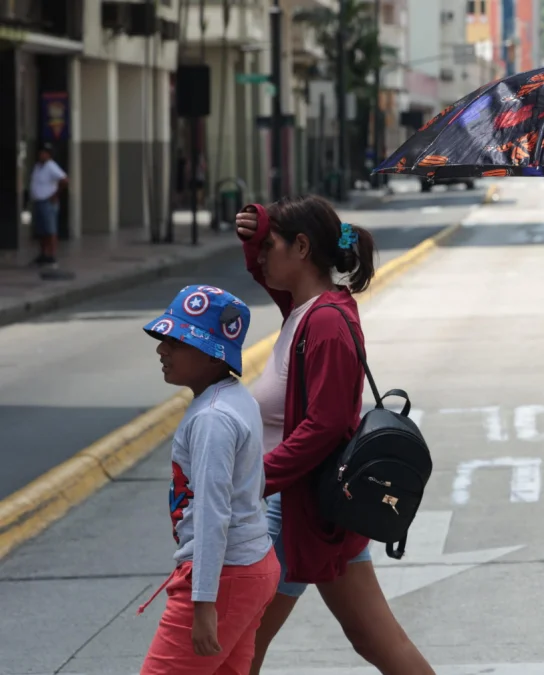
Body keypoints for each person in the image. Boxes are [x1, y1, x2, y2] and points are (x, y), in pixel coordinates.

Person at [233, 197, 434, 675]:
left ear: (301, 247)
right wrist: (259, 227)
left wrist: (255, 480)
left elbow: (324, 426)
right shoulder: (305, 309)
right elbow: (265, 274)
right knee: (372, 639)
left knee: (239, 649)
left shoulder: (324, 323)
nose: (262, 257)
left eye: (272, 246)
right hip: (310, 503)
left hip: (298, 505)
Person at [138, 284, 280, 675]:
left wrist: (203, 606)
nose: (162, 349)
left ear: (215, 355)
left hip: (224, 577)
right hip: (249, 568)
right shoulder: (235, 398)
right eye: (164, 338)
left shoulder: (212, 418)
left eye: (177, 341)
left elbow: (212, 515)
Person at [28, 143, 68, 267]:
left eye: (44, 153)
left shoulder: (51, 166)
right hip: (38, 201)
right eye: (41, 152)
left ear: (49, 155)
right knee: (41, 231)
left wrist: (55, 195)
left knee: (50, 230)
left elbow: (64, 180)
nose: (41, 155)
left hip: (47, 202)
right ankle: (43, 254)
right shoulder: (38, 166)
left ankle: (51, 255)